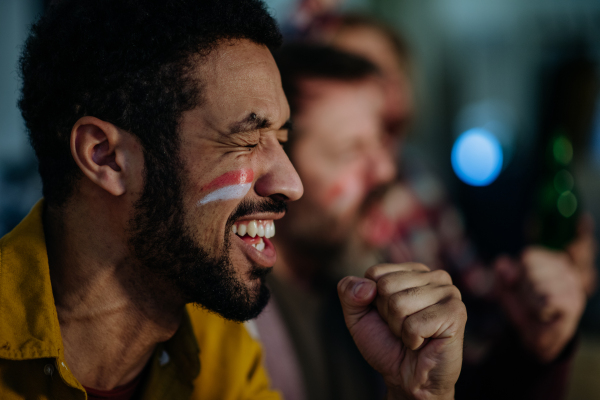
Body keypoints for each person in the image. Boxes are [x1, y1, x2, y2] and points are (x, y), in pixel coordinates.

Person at [0, 1, 468, 399]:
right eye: (247, 139)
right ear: (106, 157)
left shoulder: (224, 351)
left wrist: (418, 393)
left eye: (282, 138)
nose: (291, 183)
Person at [253, 14, 595, 400]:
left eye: (380, 142)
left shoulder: (341, 287)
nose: (386, 171)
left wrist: (533, 348)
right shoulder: (245, 327)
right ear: (278, 170)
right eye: (351, 151)